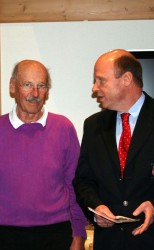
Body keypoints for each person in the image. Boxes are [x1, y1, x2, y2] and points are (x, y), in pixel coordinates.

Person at [0, 59, 87, 250]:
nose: (35, 94)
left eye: (41, 86)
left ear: (47, 91)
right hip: (6, 237)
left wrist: (79, 234)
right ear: (12, 86)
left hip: (57, 234)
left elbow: (74, 184)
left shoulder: (63, 128)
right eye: (27, 85)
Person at [73, 49, 154, 250]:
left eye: (101, 80)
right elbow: (83, 181)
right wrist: (96, 209)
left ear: (126, 79)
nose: (94, 88)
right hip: (109, 243)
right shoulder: (93, 126)